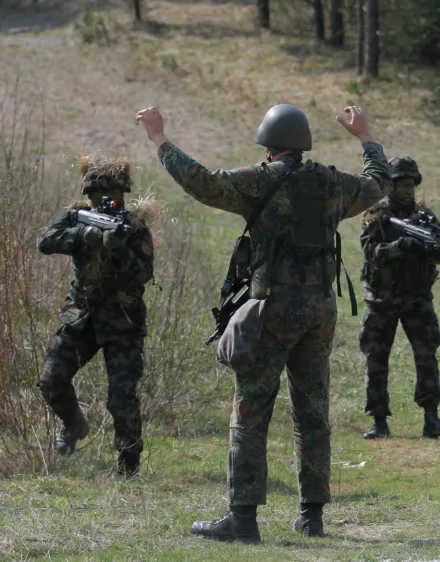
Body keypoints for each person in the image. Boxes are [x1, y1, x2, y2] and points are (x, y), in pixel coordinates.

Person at [135, 103, 392, 542]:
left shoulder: (262, 180)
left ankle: (243, 519)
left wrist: (160, 140)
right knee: (312, 414)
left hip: (272, 310)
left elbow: (203, 183)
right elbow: (379, 183)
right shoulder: (332, 184)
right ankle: (312, 517)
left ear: (269, 145)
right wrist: (366, 136)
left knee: (250, 413)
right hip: (320, 312)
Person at [37, 155, 155, 478]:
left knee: (122, 396)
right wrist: (82, 235)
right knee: (51, 380)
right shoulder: (78, 217)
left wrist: (118, 249)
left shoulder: (134, 226)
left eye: (110, 195)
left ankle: (128, 467)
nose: (103, 201)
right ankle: (74, 422)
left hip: (123, 323)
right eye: (96, 195)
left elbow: (144, 273)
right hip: (82, 319)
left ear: (122, 194)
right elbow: (44, 242)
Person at [358, 156, 440, 440]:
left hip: (417, 299)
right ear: (389, 186)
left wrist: (431, 247)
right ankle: (379, 421)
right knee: (376, 358)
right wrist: (399, 246)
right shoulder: (376, 215)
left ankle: (431, 418)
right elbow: (370, 253)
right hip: (381, 300)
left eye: (411, 183)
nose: (407, 189)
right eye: (400, 183)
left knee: (426, 357)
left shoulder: (424, 217)